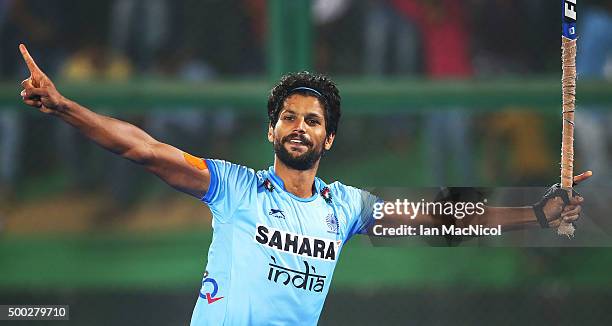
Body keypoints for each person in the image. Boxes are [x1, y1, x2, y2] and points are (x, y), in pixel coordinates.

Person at [17, 44, 588, 325]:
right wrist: (65, 107)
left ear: (328, 140)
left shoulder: (346, 209)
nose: (299, 127)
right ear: (271, 129)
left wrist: (534, 216)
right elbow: (141, 148)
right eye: (289, 117)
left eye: (312, 120)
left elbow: (444, 215)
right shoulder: (234, 187)